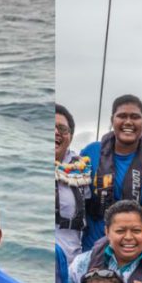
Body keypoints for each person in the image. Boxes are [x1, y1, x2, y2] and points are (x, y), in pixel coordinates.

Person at [80, 94, 142, 250]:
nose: (128, 122)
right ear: (112, 120)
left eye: (135, 117)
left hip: (138, 250)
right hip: (93, 250)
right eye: (122, 116)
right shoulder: (91, 153)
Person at [56, 103, 91, 262]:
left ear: (70, 137)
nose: (56, 132)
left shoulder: (81, 169)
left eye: (62, 129)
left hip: (71, 261)